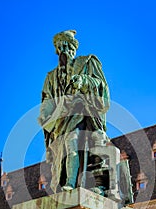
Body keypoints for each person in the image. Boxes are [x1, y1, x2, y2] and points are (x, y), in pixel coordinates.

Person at [38, 30, 110, 192]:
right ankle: (70, 183)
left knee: (77, 143)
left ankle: (73, 183)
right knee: (68, 145)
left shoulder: (87, 62)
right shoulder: (51, 77)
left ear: (73, 48)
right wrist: (45, 116)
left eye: (66, 46)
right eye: (59, 48)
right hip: (62, 119)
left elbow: (102, 87)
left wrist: (84, 81)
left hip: (85, 114)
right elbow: (47, 101)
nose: (63, 51)